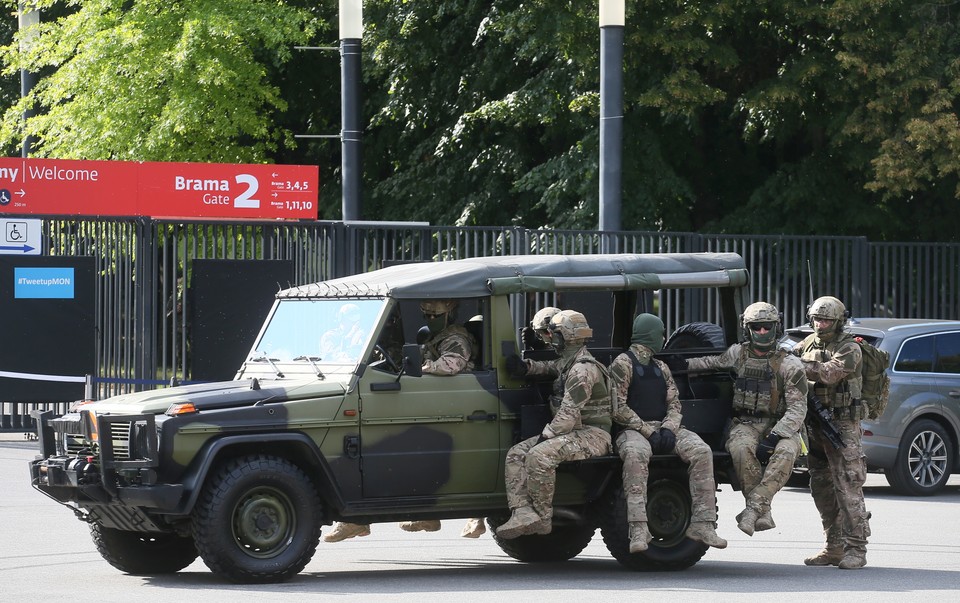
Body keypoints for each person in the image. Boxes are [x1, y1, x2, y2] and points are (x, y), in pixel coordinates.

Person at [324, 298, 479, 543]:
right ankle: (363, 519)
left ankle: (361, 520)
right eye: (426, 315)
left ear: (449, 313)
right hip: (436, 406)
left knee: (394, 454)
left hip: (457, 407)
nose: (429, 320)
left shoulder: (455, 338)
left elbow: (452, 365)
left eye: (434, 315)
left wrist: (421, 368)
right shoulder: (434, 336)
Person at [669, 302, 807, 536]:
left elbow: (797, 409)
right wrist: (683, 364)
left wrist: (774, 437)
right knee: (740, 449)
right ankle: (762, 511)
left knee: (785, 453)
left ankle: (753, 510)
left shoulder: (790, 364)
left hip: (781, 426)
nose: (762, 332)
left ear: (776, 327)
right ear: (748, 328)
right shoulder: (738, 353)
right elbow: (713, 362)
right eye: (756, 327)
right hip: (747, 423)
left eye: (767, 327)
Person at [609, 313, 727, 553]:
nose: (663, 338)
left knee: (702, 451)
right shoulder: (623, 364)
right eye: (660, 333)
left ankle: (703, 524)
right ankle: (639, 530)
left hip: (663, 428)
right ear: (652, 334)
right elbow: (617, 407)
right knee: (635, 456)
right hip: (632, 430)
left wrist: (668, 429)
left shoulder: (660, 366)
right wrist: (647, 431)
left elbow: (674, 404)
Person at [497, 310, 612, 539]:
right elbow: (550, 367)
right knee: (516, 453)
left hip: (593, 434)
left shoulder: (582, 369)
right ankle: (523, 513)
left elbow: (567, 416)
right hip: (574, 431)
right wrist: (526, 367)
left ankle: (542, 517)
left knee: (539, 455)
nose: (550, 337)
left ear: (565, 336)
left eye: (554, 333)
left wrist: (545, 436)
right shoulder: (570, 363)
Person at [794, 296, 870, 570]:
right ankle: (833, 546)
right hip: (816, 424)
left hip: (843, 426)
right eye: (815, 318)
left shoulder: (850, 348)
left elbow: (828, 373)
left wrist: (794, 364)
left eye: (825, 320)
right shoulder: (807, 344)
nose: (819, 324)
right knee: (821, 486)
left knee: (848, 486)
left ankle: (856, 549)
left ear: (838, 322)